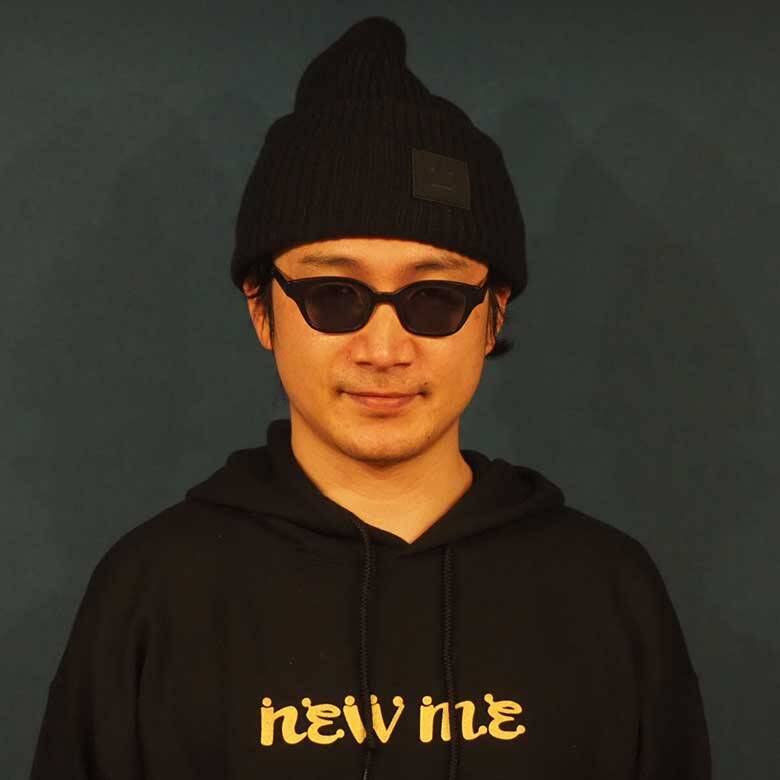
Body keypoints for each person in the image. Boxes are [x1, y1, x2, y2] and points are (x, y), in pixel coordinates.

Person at [29, 15, 712, 780]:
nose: (383, 349)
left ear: (494, 315)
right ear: (261, 308)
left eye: (434, 299)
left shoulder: (607, 592)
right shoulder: (152, 593)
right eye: (334, 295)